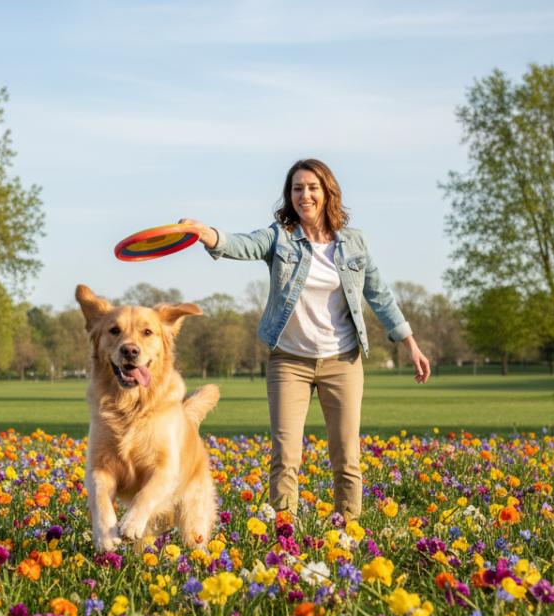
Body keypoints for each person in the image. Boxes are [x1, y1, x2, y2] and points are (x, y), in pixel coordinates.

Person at [179, 158, 430, 521]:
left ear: (328, 192)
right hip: (289, 362)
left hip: (342, 361)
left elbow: (380, 295)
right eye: (297, 188)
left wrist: (410, 343)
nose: (305, 195)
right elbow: (242, 245)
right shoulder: (279, 235)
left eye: (312, 187)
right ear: (290, 195)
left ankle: (349, 530)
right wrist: (207, 233)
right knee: (285, 456)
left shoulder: (354, 242)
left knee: (346, 454)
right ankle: (284, 535)